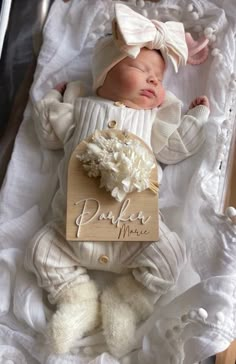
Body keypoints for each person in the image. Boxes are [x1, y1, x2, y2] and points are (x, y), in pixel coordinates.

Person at [24, 3, 210, 358]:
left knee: (173, 255)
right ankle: (77, 298)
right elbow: (47, 133)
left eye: (158, 77)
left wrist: (196, 116)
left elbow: (176, 148)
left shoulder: (155, 120)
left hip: (135, 233)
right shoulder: (80, 108)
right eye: (141, 69)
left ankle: (125, 300)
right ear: (103, 76)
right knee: (38, 250)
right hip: (72, 228)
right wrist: (55, 96)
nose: (154, 80)